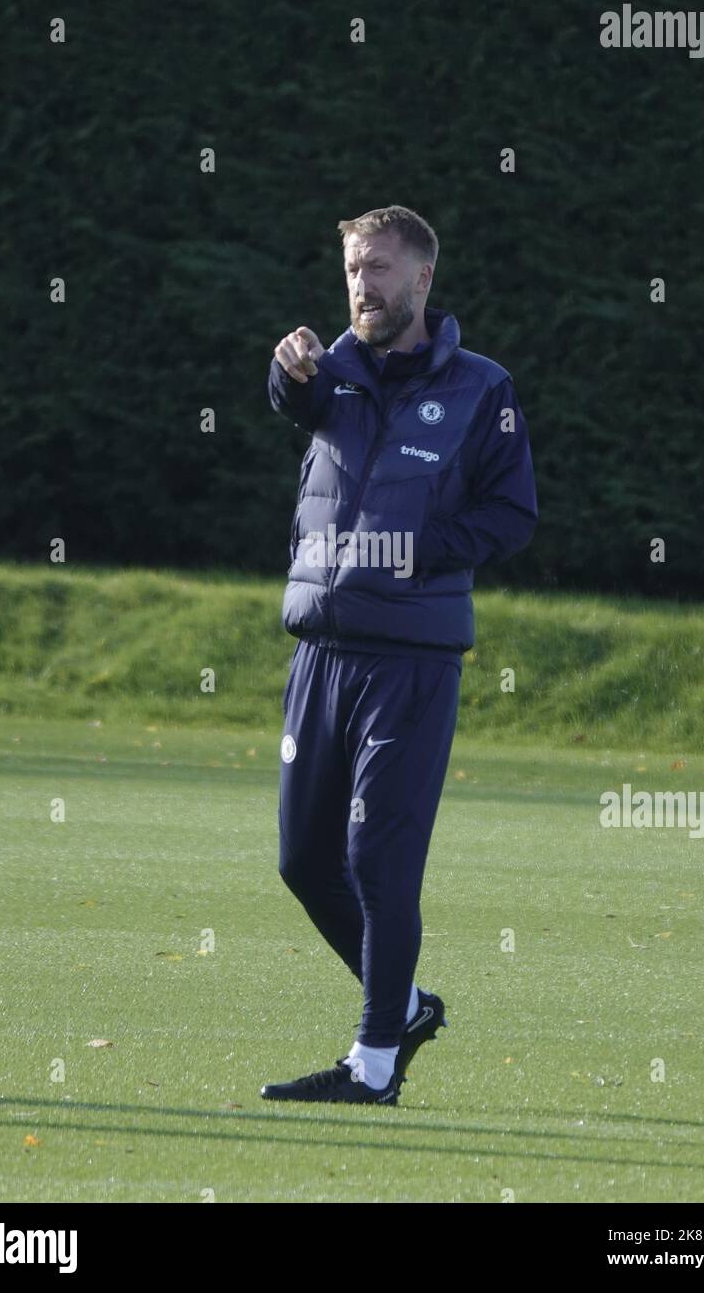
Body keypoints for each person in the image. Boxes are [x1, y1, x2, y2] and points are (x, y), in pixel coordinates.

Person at [262, 205, 538, 1105]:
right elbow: (293, 402)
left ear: (422, 279)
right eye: (351, 267)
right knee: (304, 861)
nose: (361, 285)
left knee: (380, 860)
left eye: (379, 268)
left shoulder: (480, 388)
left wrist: (415, 550)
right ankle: (408, 1006)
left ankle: (373, 1066)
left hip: (411, 660)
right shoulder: (329, 371)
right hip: (321, 652)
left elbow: (512, 514)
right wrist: (285, 367)